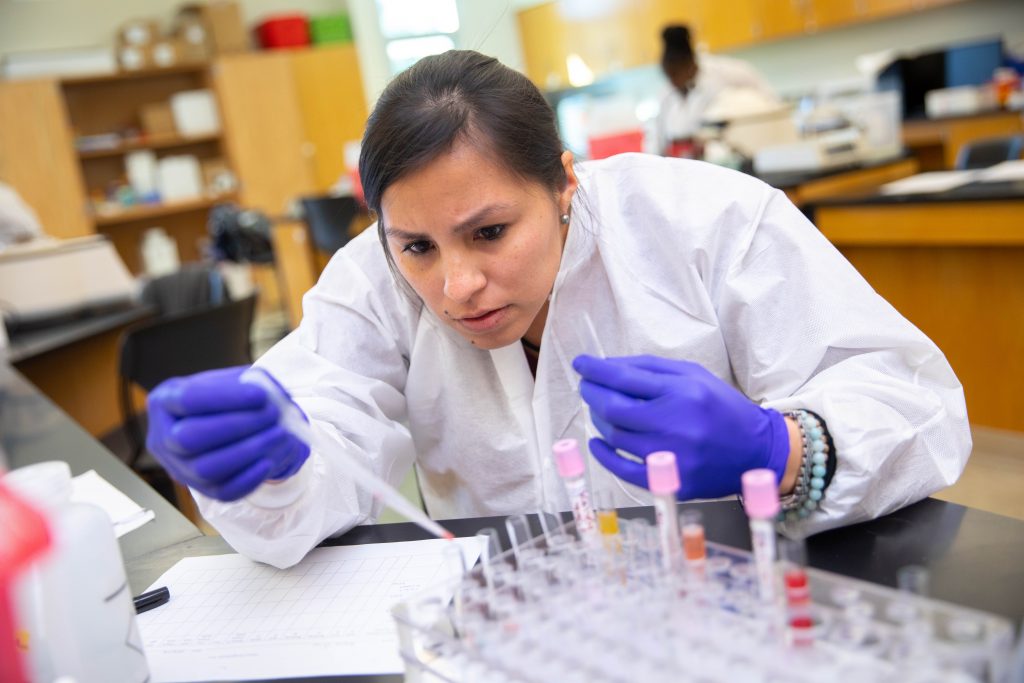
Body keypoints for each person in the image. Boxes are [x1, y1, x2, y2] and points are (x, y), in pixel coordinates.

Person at [146, 50, 969, 569]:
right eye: (419, 245)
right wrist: (264, 468)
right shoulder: (374, 276)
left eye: (491, 230)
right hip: (510, 632)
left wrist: (782, 447)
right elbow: (322, 430)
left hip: (725, 606)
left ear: (565, 182)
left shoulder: (708, 220)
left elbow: (912, 401)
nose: (455, 284)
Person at [655, 25, 778, 158]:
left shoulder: (727, 73)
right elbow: (658, 138)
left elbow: (770, 101)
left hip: (734, 154)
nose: (672, 82)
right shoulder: (666, 94)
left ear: (690, 64)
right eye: (668, 76)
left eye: (675, 74)